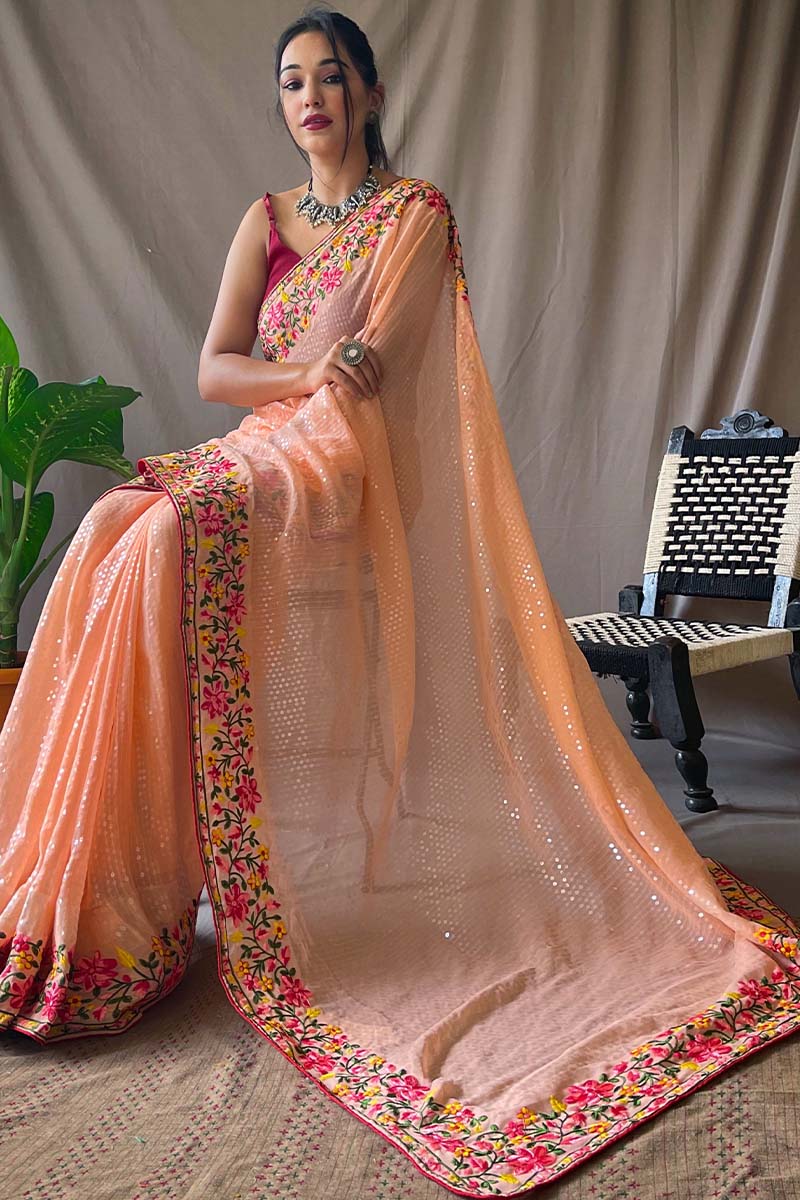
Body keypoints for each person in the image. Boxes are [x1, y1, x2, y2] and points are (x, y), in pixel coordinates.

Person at [1, 8, 798, 1195]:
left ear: (370, 94)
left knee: (153, 525)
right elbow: (217, 371)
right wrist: (301, 370)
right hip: (266, 446)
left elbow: (366, 386)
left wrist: (309, 383)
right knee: (112, 530)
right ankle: (100, 897)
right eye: (291, 82)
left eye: (331, 77)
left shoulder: (412, 215)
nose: (310, 97)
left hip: (337, 472)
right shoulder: (263, 220)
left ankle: (131, 884)